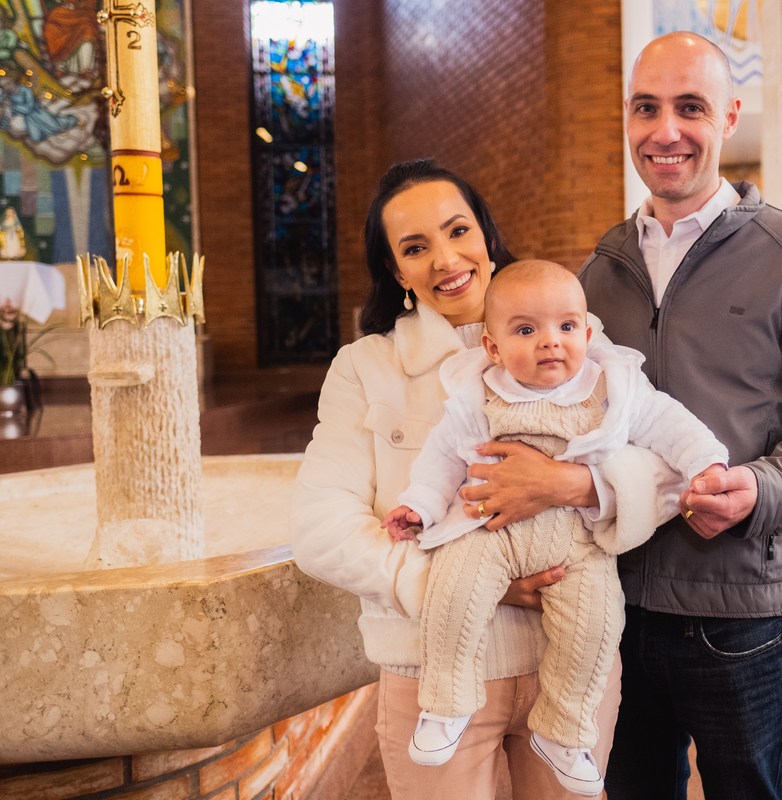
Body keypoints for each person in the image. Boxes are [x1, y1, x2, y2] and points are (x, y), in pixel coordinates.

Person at [290, 159, 676, 800]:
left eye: (458, 231)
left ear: (487, 238)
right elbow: (319, 528)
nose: (445, 259)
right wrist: (471, 583)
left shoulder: (577, 342)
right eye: (416, 247)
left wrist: (570, 485)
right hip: (431, 676)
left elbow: (664, 468)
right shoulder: (367, 368)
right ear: (398, 272)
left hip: (570, 668)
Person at [579, 32, 782, 799]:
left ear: (729, 117)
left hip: (739, 608)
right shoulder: (599, 270)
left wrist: (763, 489)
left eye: (691, 107)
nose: (666, 131)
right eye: (646, 108)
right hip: (616, 604)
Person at [381, 261, 728, 796]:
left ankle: (564, 733)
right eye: (526, 330)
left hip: (576, 542)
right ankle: (446, 704)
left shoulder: (611, 388)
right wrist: (420, 507)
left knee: (597, 622)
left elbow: (668, 422)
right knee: (453, 591)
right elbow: (441, 461)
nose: (550, 342)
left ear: (587, 334)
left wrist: (706, 462)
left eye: (566, 327)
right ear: (493, 348)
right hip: (487, 531)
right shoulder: (478, 395)